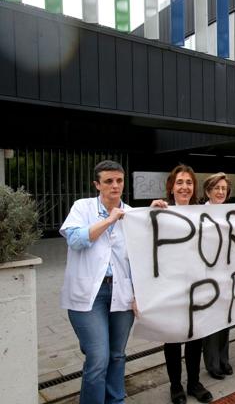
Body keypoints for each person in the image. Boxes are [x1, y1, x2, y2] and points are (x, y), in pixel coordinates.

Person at [60, 160, 137, 404]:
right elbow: (75, 239)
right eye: (108, 181)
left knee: (117, 355)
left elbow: (139, 259)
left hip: (121, 292)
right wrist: (110, 219)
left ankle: (116, 401)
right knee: (98, 358)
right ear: (97, 184)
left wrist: (139, 293)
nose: (115, 186)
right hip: (89, 295)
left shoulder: (133, 214)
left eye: (119, 180)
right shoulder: (82, 208)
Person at [150, 165, 213, 404]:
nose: (184, 187)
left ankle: (194, 382)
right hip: (170, 287)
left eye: (188, 182)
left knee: (196, 336)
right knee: (173, 337)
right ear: (171, 186)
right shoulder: (160, 212)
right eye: (180, 182)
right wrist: (150, 212)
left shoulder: (202, 213)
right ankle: (175, 386)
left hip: (197, 285)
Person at [201, 173, 234, 380]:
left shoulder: (232, 213)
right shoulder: (198, 213)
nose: (220, 192)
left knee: (226, 319)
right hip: (206, 276)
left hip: (228, 274)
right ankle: (212, 363)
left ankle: (224, 358)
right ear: (208, 191)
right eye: (216, 188)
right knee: (211, 321)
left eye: (224, 188)